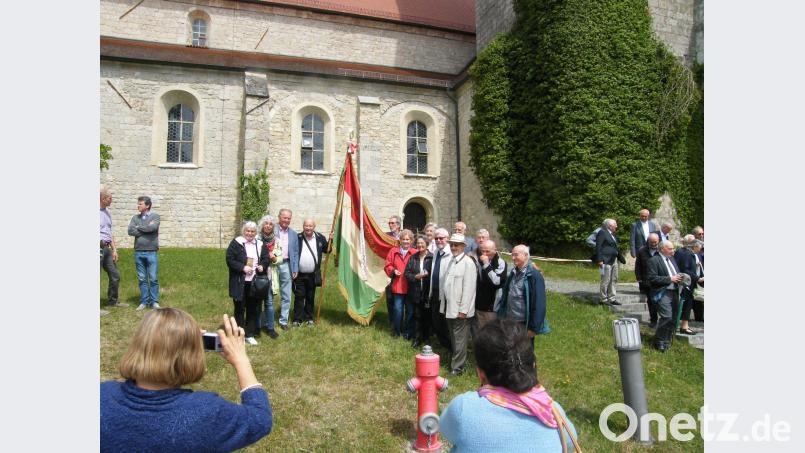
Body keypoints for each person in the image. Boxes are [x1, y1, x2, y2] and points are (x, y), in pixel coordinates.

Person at [100, 309, 272, 452]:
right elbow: (259, 419)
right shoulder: (206, 412)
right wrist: (241, 360)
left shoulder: (103, 396)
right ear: (190, 356)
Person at [440, 319, 578, 453]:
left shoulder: (464, 408)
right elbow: (570, 443)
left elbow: (443, 430)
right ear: (533, 365)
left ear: (480, 374)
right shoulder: (552, 411)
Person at [226, 221, 270, 345]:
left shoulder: (260, 244)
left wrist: (262, 265)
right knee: (239, 309)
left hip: (254, 282)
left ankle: (249, 334)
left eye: (252, 231)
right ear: (243, 231)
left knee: (253, 308)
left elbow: (266, 258)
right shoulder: (236, 243)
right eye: (247, 231)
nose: (250, 233)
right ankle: (239, 334)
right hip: (240, 282)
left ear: (256, 233)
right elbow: (230, 259)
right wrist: (242, 267)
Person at [440, 233, 478, 376]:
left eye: (456, 245)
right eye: (452, 244)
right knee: (454, 338)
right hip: (450, 307)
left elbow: (469, 289)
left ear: (463, 246)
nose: (453, 247)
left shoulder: (468, 263)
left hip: (460, 310)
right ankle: (456, 362)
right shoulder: (452, 260)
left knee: (460, 339)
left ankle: (458, 368)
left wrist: (463, 310)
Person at [497, 245, 546, 350]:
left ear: (526, 255)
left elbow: (539, 304)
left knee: (524, 352)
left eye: (516, 255)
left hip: (524, 324)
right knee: (511, 350)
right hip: (510, 321)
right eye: (512, 255)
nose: (513, 258)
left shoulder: (534, 276)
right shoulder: (514, 272)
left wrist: (533, 328)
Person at [646, 240, 684, 352]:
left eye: (673, 248)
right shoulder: (654, 260)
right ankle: (659, 341)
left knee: (673, 318)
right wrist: (670, 279)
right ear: (662, 249)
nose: (673, 251)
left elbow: (675, 273)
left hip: (674, 291)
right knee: (666, 317)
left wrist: (681, 278)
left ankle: (667, 340)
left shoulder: (671, 259)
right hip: (662, 292)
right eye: (670, 249)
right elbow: (651, 278)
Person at [128, 195, 161, 310]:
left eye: (140, 204)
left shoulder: (155, 216)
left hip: (151, 252)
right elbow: (130, 231)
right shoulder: (135, 218)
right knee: (142, 278)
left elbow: (153, 228)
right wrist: (146, 228)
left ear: (147, 205)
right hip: (139, 252)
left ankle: (154, 302)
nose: (138, 205)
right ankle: (144, 301)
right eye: (138, 203)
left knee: (153, 278)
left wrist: (139, 227)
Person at [294, 218, 328, 326]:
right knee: (299, 297)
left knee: (310, 296)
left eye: (310, 226)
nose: (308, 228)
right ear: (303, 226)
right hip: (299, 274)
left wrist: (331, 240)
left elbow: (328, 250)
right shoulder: (297, 237)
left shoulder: (320, 237)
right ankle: (297, 319)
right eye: (306, 225)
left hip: (313, 274)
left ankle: (309, 318)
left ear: (314, 226)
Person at [404, 235, 433, 348]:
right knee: (417, 316)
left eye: (422, 243)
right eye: (418, 243)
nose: (420, 245)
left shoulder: (432, 257)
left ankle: (427, 339)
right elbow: (407, 273)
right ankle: (417, 338)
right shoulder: (413, 258)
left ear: (427, 244)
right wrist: (415, 277)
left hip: (428, 292)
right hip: (416, 292)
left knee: (427, 317)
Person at [385, 229, 414, 338]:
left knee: (410, 311)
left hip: (411, 287)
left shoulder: (415, 252)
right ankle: (397, 332)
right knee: (398, 310)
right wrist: (393, 271)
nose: (405, 241)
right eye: (403, 239)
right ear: (400, 240)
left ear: (411, 240)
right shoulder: (393, 251)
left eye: (408, 239)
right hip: (398, 286)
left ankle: (408, 332)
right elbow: (387, 265)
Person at [428, 228, 453, 352]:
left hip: (446, 294)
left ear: (447, 238)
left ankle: (450, 347)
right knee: (436, 320)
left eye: (441, 238)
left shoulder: (451, 253)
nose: (438, 240)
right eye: (436, 238)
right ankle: (443, 344)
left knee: (446, 322)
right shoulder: (436, 252)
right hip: (435, 292)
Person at [474, 239, 506, 331]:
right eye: (482, 251)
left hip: (491, 308)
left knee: (492, 332)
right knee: (479, 331)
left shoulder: (500, 263)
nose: (484, 254)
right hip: (478, 305)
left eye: (487, 251)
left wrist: (486, 264)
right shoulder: (478, 260)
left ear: (495, 250)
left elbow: (496, 282)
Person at [275, 208, 299, 330]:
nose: (286, 220)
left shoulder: (293, 234)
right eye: (284, 217)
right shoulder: (271, 230)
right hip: (272, 264)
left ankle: (283, 320)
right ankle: (267, 319)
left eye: (289, 218)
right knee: (269, 293)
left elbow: (295, 252)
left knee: (287, 294)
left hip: (286, 264)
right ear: (279, 217)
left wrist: (295, 268)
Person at [100, 187, 124, 308]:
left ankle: (113, 302)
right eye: (110, 198)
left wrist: (114, 250)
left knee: (115, 275)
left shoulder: (107, 213)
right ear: (103, 198)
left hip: (107, 248)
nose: (111, 200)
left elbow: (109, 232)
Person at [676, 236, 704, 335]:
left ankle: (685, 326)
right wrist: (698, 278)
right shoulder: (688, 254)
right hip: (687, 283)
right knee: (687, 304)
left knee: (689, 304)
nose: (701, 250)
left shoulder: (692, 254)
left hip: (690, 283)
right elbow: (686, 269)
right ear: (695, 246)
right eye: (700, 247)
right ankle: (684, 327)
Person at [258, 215, 279, 339]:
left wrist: (274, 258)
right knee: (256, 302)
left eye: (271, 224)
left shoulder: (277, 240)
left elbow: (280, 258)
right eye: (266, 223)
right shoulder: (256, 238)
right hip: (258, 273)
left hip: (270, 275)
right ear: (262, 225)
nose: (268, 226)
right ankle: (257, 326)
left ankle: (270, 328)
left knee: (269, 302)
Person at [595, 218, 625, 306]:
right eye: (615, 224)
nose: (616, 226)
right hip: (605, 260)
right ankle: (603, 299)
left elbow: (615, 247)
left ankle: (612, 298)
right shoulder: (602, 233)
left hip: (613, 259)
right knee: (606, 279)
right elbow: (598, 247)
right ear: (610, 225)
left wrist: (620, 257)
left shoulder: (612, 234)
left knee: (614, 278)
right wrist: (599, 259)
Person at [634, 233, 660, 327]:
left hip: (660, 279)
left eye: (655, 242)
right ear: (648, 241)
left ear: (658, 241)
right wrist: (639, 278)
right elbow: (638, 265)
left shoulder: (662, 250)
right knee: (651, 301)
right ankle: (653, 320)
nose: (653, 244)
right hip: (647, 280)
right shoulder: (642, 251)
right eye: (651, 242)